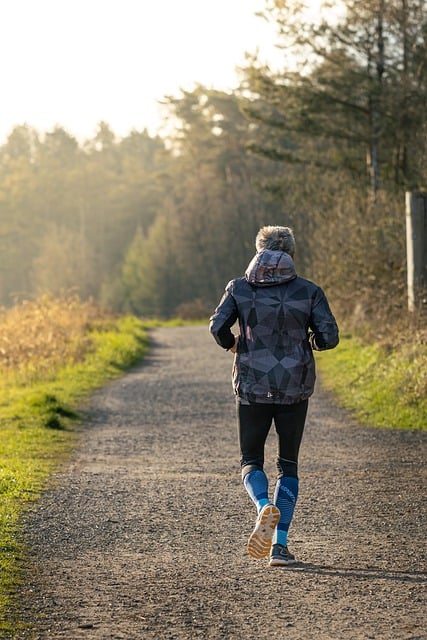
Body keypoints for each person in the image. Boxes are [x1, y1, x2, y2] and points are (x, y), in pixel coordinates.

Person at [209, 225, 339, 566]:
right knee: (288, 464)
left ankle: (262, 504)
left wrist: (233, 345)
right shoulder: (309, 291)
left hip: (252, 384)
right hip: (294, 387)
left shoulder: (238, 288)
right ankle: (279, 547)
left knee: (250, 459)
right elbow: (329, 336)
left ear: (257, 250)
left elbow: (217, 327)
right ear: (292, 253)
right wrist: (309, 342)